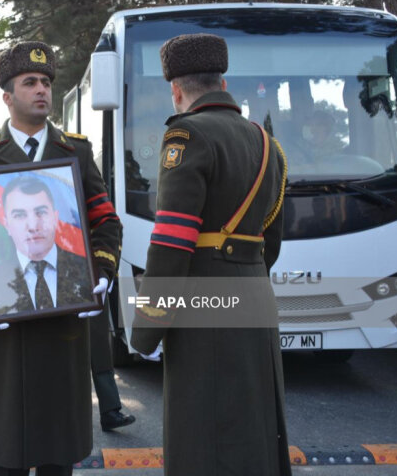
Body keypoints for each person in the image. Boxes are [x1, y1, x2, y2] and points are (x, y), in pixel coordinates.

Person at [0, 41, 122, 476]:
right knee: (8, 448)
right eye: (30, 82)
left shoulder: (76, 151)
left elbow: (105, 221)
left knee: (59, 449)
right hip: (6, 326)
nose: (42, 89)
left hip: (65, 322)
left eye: (46, 82)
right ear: (7, 96)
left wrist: (101, 272)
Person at [129, 34, 291, 476]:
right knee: (253, 427)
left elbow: (172, 243)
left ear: (176, 90)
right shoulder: (267, 142)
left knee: (203, 435)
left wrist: (147, 330)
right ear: (222, 81)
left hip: (205, 305)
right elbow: (273, 238)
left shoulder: (186, 134)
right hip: (255, 295)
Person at [0, 175, 92, 316]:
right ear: (7, 225)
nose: (33, 226)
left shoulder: (86, 270)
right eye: (20, 215)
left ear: (55, 218)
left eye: (41, 213)